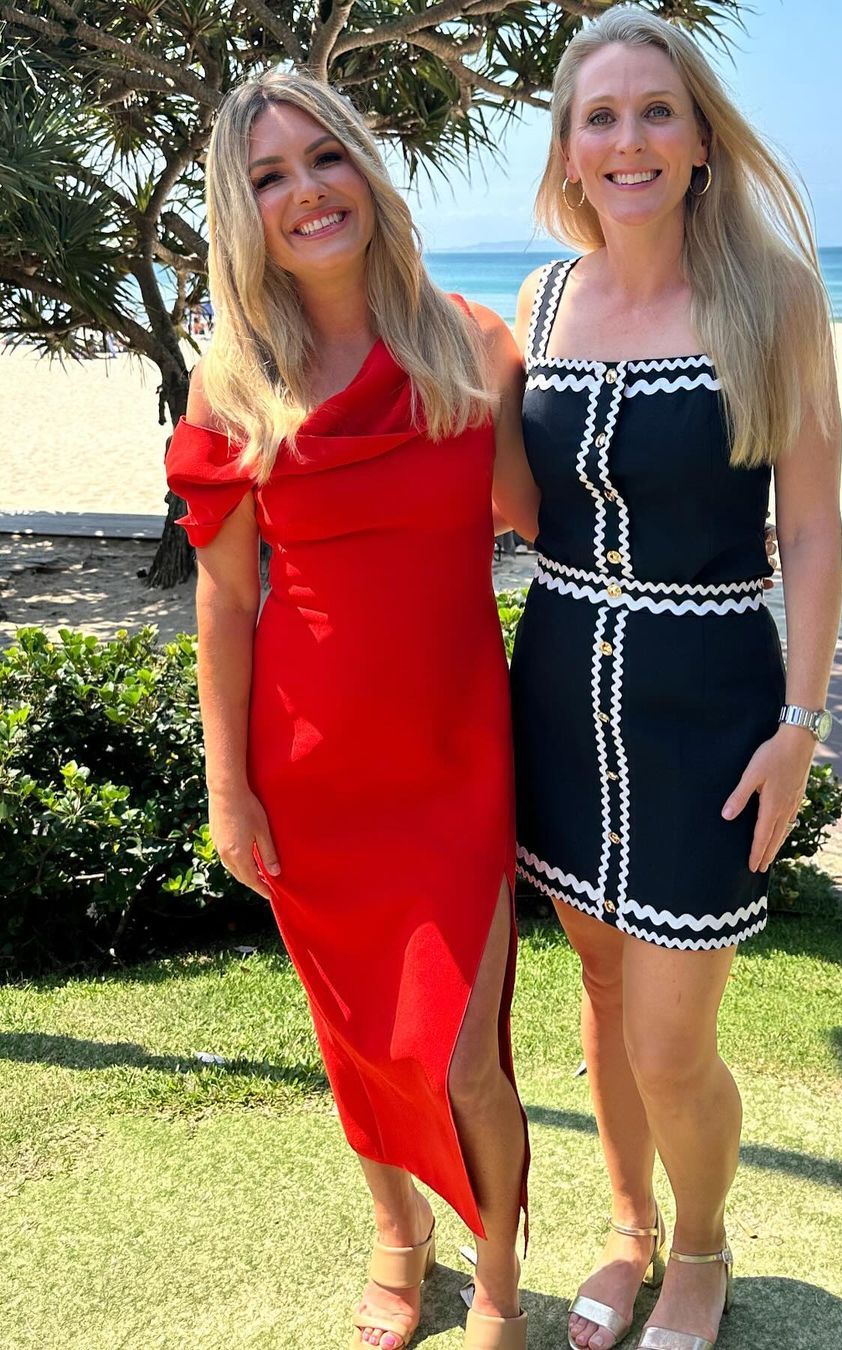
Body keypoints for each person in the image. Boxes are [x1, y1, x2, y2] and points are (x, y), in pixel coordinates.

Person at [164, 71, 538, 1350]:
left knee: (464, 1052)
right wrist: (228, 789)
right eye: (268, 177)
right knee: (359, 1034)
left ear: (367, 171)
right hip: (310, 766)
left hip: (454, 758)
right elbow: (228, 602)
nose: (306, 191)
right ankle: (398, 1233)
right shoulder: (232, 385)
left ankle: (499, 1284)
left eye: (324, 158)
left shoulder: (477, 348)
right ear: (243, 213)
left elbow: (544, 517)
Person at [507, 8, 842, 1349]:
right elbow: (517, 500)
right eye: (600, 116)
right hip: (557, 693)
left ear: (701, 138)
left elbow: (810, 526)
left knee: (669, 1040)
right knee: (600, 996)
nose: (628, 139)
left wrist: (799, 726)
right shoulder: (540, 300)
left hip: (709, 705)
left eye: (657, 110)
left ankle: (701, 1248)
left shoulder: (774, 297)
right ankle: (630, 1229)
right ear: (569, 150)